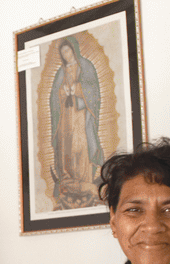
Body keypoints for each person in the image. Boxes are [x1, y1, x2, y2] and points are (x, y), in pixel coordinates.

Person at [49, 37, 104, 210]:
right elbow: (53, 97)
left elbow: (94, 91)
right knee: (66, 146)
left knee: (81, 145)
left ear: (74, 50)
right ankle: (67, 180)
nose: (66, 55)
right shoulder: (60, 72)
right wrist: (62, 92)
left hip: (81, 115)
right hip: (65, 116)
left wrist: (78, 90)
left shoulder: (86, 66)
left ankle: (84, 180)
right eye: (63, 52)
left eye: (68, 50)